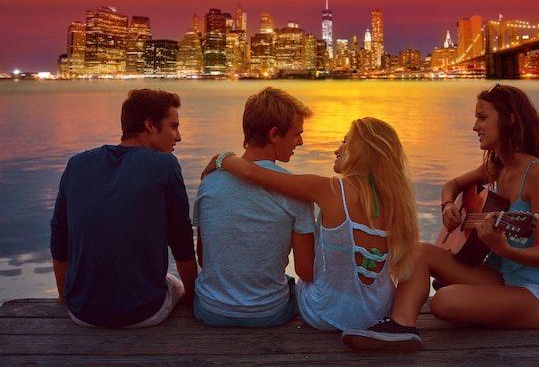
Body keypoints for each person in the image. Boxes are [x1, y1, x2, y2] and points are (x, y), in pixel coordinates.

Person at [342, 83, 539, 351]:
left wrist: (500, 247)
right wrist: (448, 206)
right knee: (418, 252)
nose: (474, 127)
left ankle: (479, 308)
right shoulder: (497, 166)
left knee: (444, 302)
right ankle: (401, 326)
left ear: (509, 120)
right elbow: (452, 184)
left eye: (482, 118)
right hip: (503, 279)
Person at [202, 116, 420, 338]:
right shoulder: (399, 203)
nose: (337, 150)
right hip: (375, 314)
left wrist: (222, 158)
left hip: (322, 314)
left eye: (345, 142)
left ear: (362, 150)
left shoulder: (330, 189)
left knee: (297, 282)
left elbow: (252, 174)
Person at [50, 88, 197, 328]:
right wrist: (192, 296)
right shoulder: (164, 165)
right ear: (150, 125)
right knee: (175, 283)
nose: (178, 137)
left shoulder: (77, 164)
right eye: (173, 126)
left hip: (82, 313)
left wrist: (64, 295)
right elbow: (180, 240)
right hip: (144, 314)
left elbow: (59, 234)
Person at [193, 86, 315, 327]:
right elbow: (306, 272)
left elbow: (203, 257)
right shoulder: (295, 191)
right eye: (296, 134)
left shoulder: (209, 181)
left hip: (210, 310)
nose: (300, 142)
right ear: (274, 134)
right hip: (268, 314)